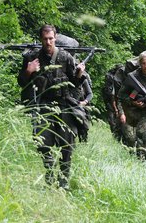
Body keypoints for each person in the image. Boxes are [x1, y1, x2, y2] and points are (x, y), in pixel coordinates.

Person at [17, 24, 86, 189]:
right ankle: (49, 176)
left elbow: (74, 84)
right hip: (43, 105)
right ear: (41, 39)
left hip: (63, 104)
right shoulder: (32, 58)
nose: (48, 42)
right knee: (42, 143)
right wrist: (29, 70)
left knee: (67, 144)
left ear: (55, 38)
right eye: (45, 39)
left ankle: (63, 181)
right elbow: (21, 83)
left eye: (51, 39)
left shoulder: (65, 57)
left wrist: (79, 74)